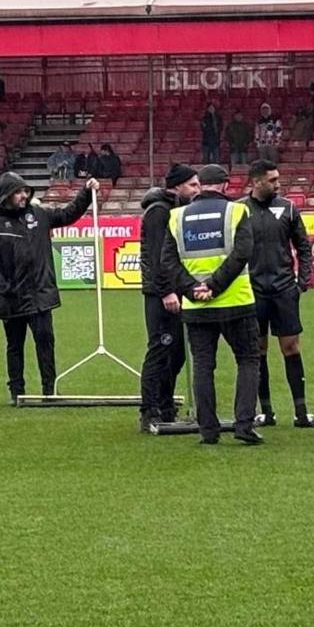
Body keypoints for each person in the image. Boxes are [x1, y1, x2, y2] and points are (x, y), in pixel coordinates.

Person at [0, 172, 96, 404]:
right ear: (6, 195)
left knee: (46, 341)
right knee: (15, 345)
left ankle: (50, 390)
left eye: (25, 191)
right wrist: (3, 285)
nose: (23, 196)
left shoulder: (39, 214)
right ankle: (17, 391)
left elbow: (68, 214)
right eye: (18, 192)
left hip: (41, 294)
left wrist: (86, 193)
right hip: (11, 296)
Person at [168, 165, 264, 445]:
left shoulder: (177, 216)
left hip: (196, 307)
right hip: (235, 300)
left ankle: (208, 430)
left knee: (203, 366)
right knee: (248, 361)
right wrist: (214, 285)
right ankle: (244, 425)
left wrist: (192, 289)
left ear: (200, 185)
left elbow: (168, 261)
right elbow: (243, 253)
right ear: (225, 185)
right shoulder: (237, 211)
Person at [242, 160, 314, 429]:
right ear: (256, 182)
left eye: (278, 179)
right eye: (272, 180)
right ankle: (266, 413)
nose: (278, 184)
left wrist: (302, 281)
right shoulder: (239, 211)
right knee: (258, 350)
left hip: (283, 291)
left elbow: (303, 246)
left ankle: (301, 413)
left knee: (290, 347)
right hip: (253, 292)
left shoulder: (288, 208)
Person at [138, 164, 202, 432]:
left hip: (175, 291)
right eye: (193, 185)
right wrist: (166, 291)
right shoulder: (159, 213)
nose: (198, 190)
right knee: (160, 350)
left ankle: (165, 404)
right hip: (161, 294)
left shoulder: (175, 210)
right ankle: (149, 410)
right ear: (177, 187)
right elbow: (155, 257)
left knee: (176, 353)